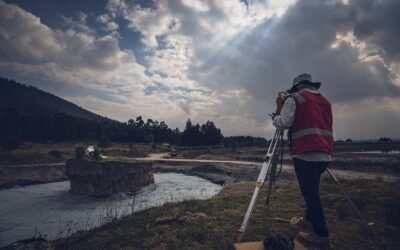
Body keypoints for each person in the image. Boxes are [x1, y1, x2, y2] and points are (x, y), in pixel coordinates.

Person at [273, 73, 333, 245]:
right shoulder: (325, 100)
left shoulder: (295, 98)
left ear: (297, 87)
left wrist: (277, 113)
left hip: (305, 152)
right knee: (312, 189)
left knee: (311, 194)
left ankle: (321, 234)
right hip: (324, 152)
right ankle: (308, 220)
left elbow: (283, 123)